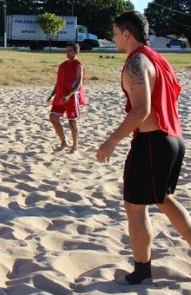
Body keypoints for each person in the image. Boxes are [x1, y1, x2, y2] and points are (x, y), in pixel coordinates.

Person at [96, 11, 190, 285]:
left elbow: (141, 111)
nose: (112, 37)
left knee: (135, 207)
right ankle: (143, 266)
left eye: (115, 32)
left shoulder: (136, 63)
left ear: (127, 33)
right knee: (163, 199)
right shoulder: (158, 59)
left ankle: (142, 269)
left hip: (152, 142)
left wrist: (111, 140)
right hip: (174, 139)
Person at [46, 42, 86, 153]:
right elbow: (58, 82)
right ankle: (63, 142)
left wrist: (69, 95)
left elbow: (79, 83)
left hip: (72, 96)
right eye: (66, 50)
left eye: (70, 50)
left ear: (76, 52)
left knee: (72, 122)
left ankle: (75, 146)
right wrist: (51, 95)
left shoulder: (79, 65)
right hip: (60, 96)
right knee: (53, 117)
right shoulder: (62, 65)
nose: (67, 53)